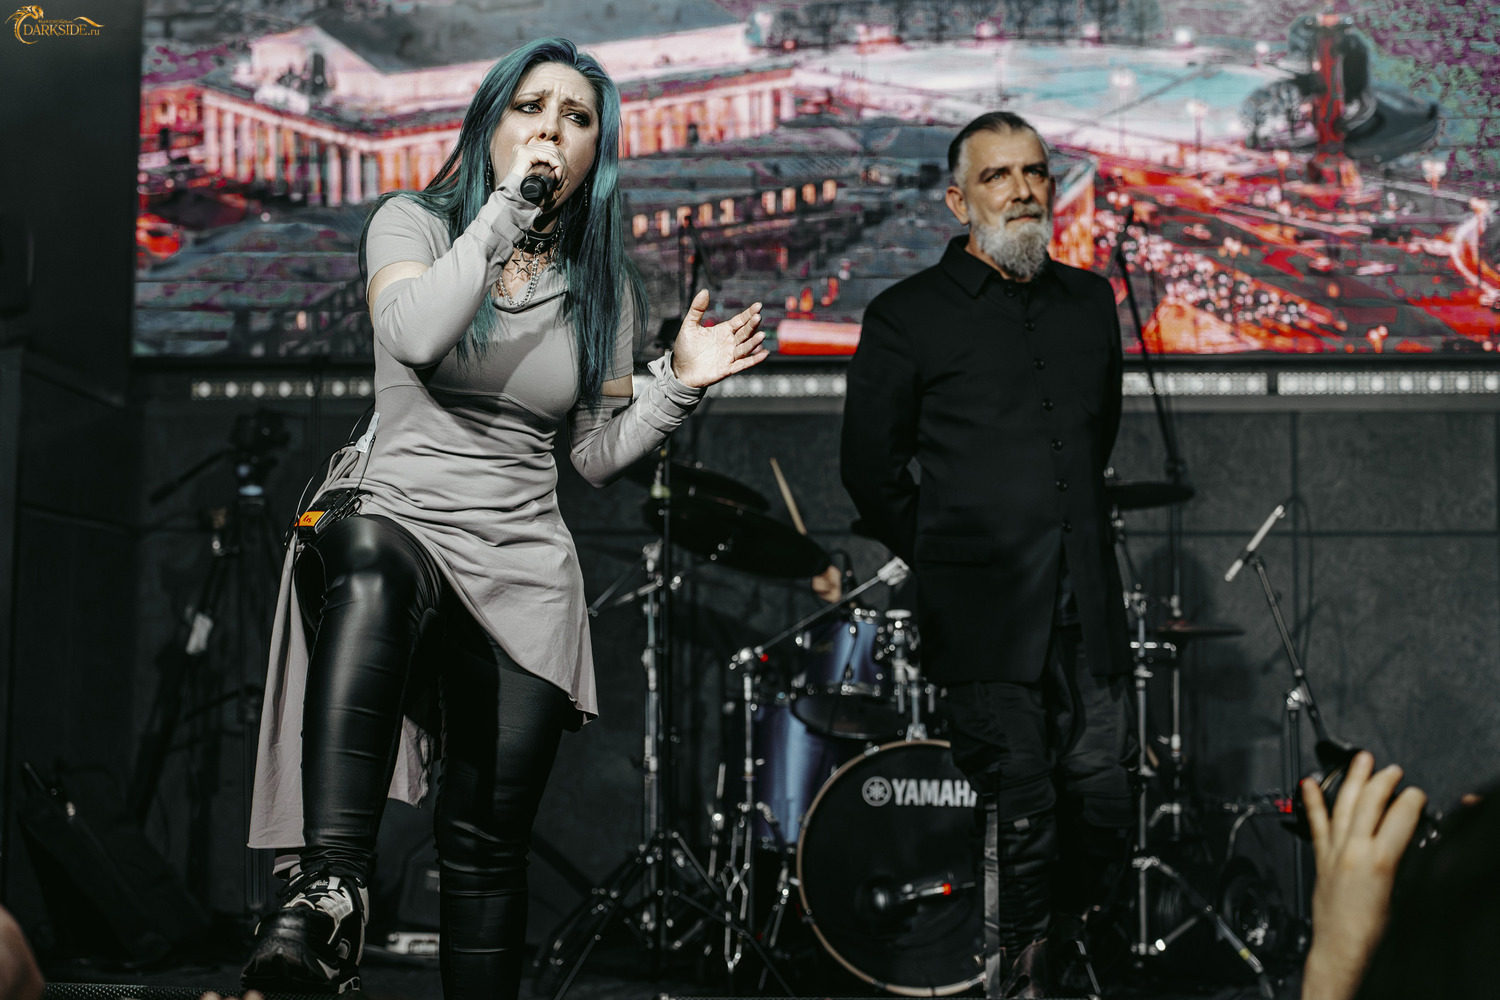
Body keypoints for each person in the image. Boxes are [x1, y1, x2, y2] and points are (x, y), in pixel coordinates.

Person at [241, 37, 766, 999]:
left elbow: (593, 454)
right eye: (531, 108)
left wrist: (678, 386)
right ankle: (333, 889)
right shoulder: (410, 223)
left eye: (576, 118)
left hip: (522, 557)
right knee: (370, 563)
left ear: (597, 152)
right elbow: (414, 335)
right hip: (396, 509)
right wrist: (506, 211)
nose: (551, 131)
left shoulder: (605, 287)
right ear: (491, 125)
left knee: (486, 847)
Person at [840, 110, 1131, 996]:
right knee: (1024, 808)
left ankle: (1065, 968)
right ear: (959, 200)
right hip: (983, 615)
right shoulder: (906, 316)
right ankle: (1017, 984)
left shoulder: (1091, 303)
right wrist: (948, 555)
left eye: (1034, 172)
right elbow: (869, 469)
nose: (1022, 190)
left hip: (1086, 608)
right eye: (998, 176)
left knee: (1103, 806)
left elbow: (1097, 438)